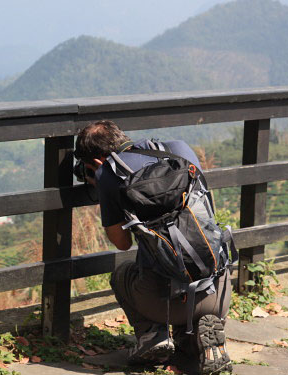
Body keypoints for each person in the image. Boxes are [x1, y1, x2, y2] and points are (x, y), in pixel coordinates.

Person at [74, 120, 233, 375]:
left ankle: (153, 336)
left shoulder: (108, 174)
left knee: (123, 274)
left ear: (97, 160)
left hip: (161, 300)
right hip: (218, 290)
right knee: (191, 289)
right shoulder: (177, 149)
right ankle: (199, 340)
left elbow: (122, 243)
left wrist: (105, 188)